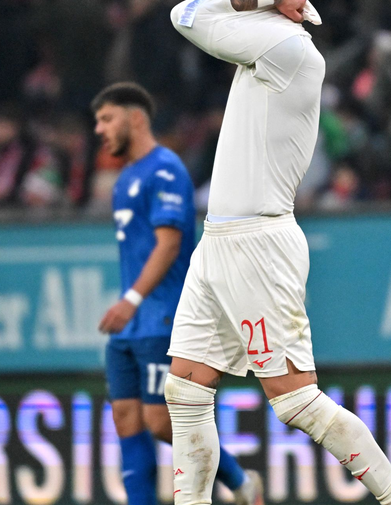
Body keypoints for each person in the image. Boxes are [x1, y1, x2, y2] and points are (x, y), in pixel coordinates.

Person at [165, 0, 391, 505]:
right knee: (184, 386)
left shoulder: (288, 50)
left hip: (259, 239)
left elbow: (185, 14)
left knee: (295, 401)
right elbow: (195, 13)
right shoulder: (264, 55)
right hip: (221, 239)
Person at [92, 82, 264, 505]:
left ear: (136, 118)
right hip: (131, 324)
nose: (99, 129)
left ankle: (241, 481)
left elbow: (168, 245)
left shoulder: (165, 169)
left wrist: (130, 300)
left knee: (160, 421)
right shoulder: (125, 178)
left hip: (164, 316)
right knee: (125, 417)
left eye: (107, 118)